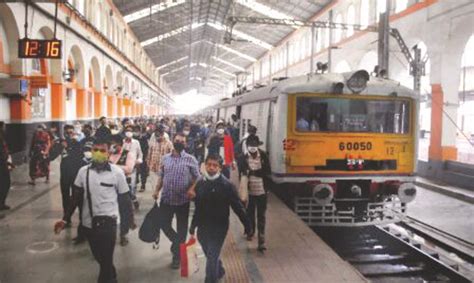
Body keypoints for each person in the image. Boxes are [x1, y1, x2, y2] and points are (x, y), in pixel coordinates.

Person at [54, 138, 135, 283]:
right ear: (91, 152)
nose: (98, 153)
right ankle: (112, 275)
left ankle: (108, 279)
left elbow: (125, 200)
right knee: (100, 258)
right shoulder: (83, 172)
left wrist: (129, 221)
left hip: (109, 223)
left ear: (109, 152)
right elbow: (75, 198)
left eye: (102, 150)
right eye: (95, 150)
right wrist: (65, 219)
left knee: (105, 261)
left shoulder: (117, 173)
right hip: (88, 224)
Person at [189, 154, 251, 283]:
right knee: (210, 253)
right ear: (205, 165)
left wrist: (247, 224)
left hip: (219, 227)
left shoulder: (227, 186)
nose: (211, 168)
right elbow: (198, 207)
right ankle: (220, 269)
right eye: (209, 165)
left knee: (212, 256)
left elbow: (238, 207)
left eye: (215, 165)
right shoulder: (200, 183)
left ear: (220, 168)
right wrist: (193, 225)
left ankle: (210, 279)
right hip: (203, 226)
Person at [152, 132, 200, 269]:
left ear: (185, 144)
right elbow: (162, 176)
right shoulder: (165, 158)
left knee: (182, 229)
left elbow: (198, 177)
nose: (179, 142)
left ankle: (177, 256)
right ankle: (178, 244)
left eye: (182, 141)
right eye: (177, 140)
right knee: (163, 224)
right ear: (173, 141)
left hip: (182, 201)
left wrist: (192, 189)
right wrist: (156, 190)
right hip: (166, 199)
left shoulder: (190, 159)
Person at [238, 135, 271, 252]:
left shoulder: (263, 156)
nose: (252, 147)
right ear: (247, 146)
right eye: (250, 145)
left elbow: (268, 171)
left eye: (254, 145)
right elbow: (241, 174)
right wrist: (242, 190)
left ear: (258, 146)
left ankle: (261, 240)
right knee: (250, 213)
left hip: (262, 191)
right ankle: (250, 231)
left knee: (261, 215)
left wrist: (254, 172)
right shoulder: (242, 158)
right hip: (249, 192)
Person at [109, 134, 137, 246]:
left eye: (113, 145)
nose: (112, 147)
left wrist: (111, 167)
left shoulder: (128, 154)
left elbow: (129, 169)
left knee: (124, 210)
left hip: (124, 186)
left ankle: (123, 234)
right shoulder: (108, 154)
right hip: (109, 186)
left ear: (120, 145)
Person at [122, 125, 143, 210]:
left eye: (130, 131)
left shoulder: (136, 142)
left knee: (132, 185)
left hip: (133, 167)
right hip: (123, 168)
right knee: (124, 185)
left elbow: (140, 154)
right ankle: (130, 201)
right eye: (127, 130)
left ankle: (133, 199)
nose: (129, 132)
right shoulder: (122, 142)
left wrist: (139, 161)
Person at [0, 123, 13, 210]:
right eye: (3, 126)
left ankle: (2, 203)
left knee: (5, 183)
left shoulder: (2, 137)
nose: (5, 128)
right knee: (5, 183)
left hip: (3, 162)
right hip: (1, 163)